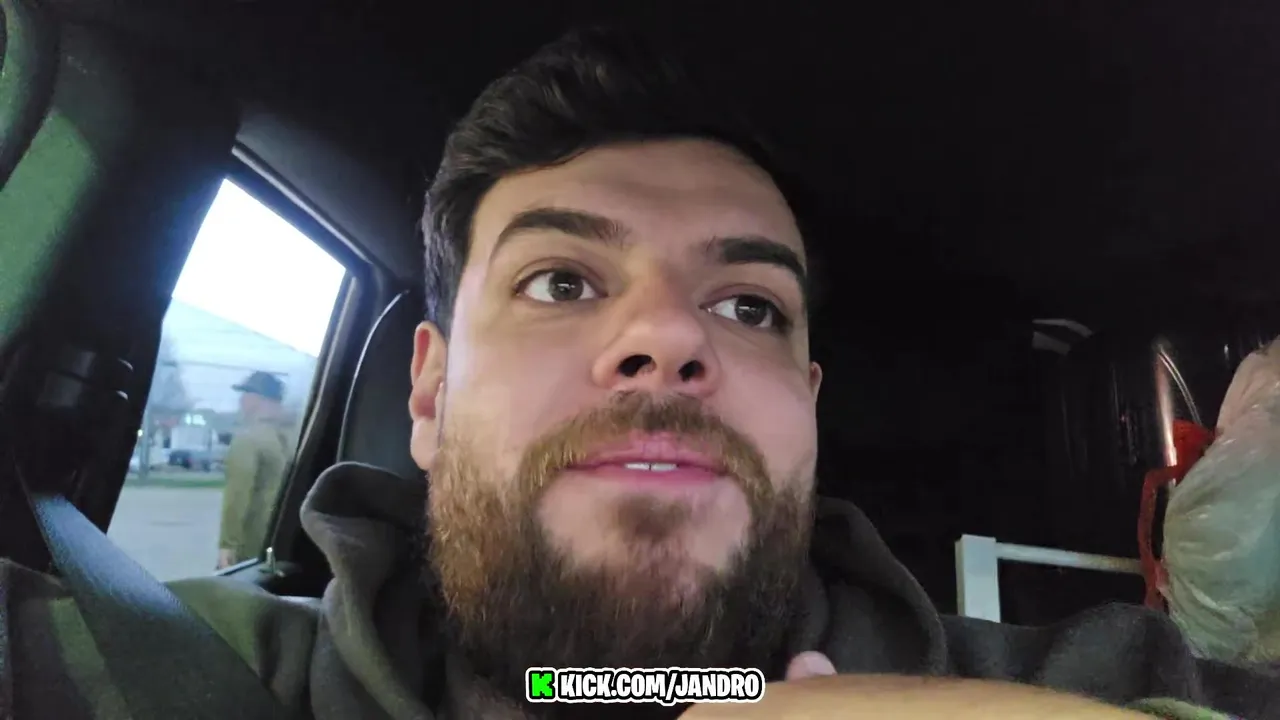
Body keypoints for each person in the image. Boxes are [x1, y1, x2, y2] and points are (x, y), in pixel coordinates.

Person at [2, 26, 1279, 720]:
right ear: (430, 395)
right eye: (561, 282)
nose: (670, 340)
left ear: (807, 415)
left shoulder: (1087, 685)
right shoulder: (143, 674)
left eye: (747, 305)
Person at [217, 370, 291, 569]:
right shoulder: (295, 437)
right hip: (285, 540)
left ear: (258, 399)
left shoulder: (248, 439)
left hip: (252, 544)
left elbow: (237, 495)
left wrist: (227, 544)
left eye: (246, 394)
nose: (241, 401)